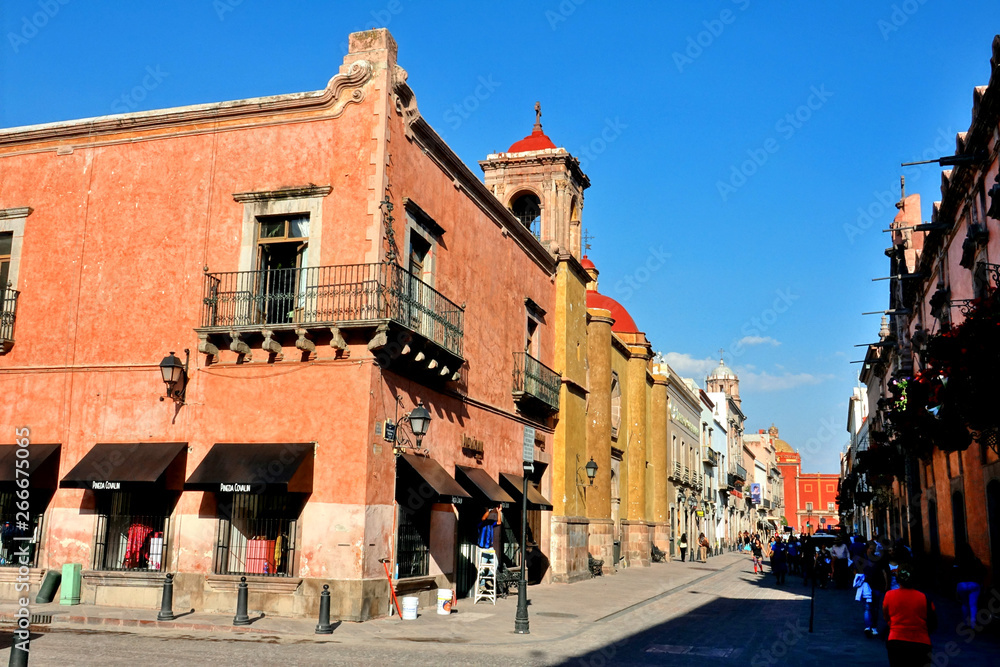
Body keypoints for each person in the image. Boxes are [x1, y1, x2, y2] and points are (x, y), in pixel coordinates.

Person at [883, 563, 936, 667]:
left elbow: (887, 617)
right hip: (921, 641)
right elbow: (933, 622)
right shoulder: (924, 597)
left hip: (896, 640)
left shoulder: (889, 595)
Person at [954, 543, 987, 628]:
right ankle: (973, 624)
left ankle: (966, 623)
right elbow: (983, 571)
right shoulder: (976, 560)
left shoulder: (957, 561)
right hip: (974, 584)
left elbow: (954, 574)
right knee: (973, 605)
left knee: (965, 604)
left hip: (962, 585)